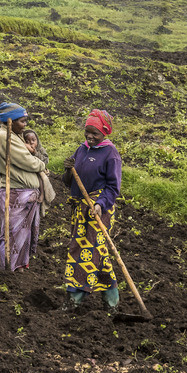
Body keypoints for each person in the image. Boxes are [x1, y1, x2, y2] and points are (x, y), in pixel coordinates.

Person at [63, 109, 122, 313]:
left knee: (84, 252)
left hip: (98, 210)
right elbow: (69, 182)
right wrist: (68, 169)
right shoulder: (82, 149)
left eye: (94, 133)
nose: (90, 136)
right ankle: (111, 301)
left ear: (104, 133)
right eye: (87, 131)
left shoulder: (110, 154)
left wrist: (100, 204)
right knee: (99, 253)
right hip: (80, 209)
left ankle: (74, 299)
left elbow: (113, 188)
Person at [0, 102, 53, 271]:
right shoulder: (5, 137)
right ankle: (10, 267)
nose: (25, 125)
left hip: (24, 194)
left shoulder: (14, 135)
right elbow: (28, 162)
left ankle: (19, 265)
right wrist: (41, 164)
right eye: (22, 121)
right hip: (16, 192)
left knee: (23, 233)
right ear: (10, 121)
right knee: (13, 232)